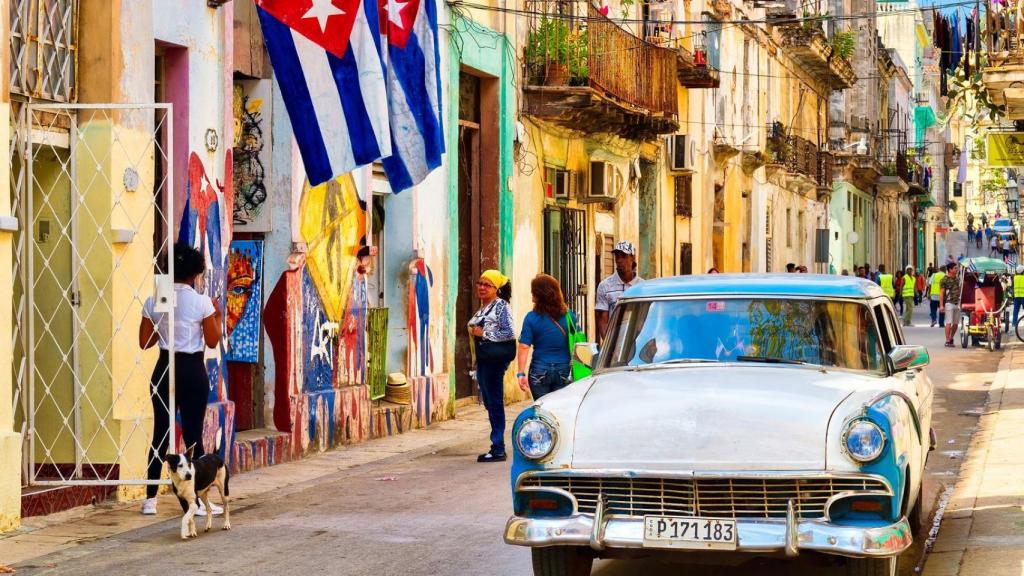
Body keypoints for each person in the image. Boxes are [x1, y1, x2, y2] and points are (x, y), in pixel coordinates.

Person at [139, 244, 222, 516]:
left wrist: (163, 323)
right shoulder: (202, 302)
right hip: (191, 369)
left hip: (164, 366)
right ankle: (196, 502)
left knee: (160, 433)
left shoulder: (154, 300)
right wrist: (216, 314)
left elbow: (144, 342)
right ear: (196, 272)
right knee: (193, 435)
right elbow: (212, 340)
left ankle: (150, 499)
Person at [467, 269, 516, 463]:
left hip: (495, 360)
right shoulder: (484, 307)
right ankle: (496, 445)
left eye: (487, 285)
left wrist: (484, 333)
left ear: (497, 289)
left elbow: (510, 333)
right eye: (480, 283)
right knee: (490, 402)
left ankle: (498, 448)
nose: (482, 287)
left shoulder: (501, 306)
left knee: (494, 402)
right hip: (485, 360)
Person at [516, 274, 580, 402]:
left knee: (542, 409)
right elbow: (578, 343)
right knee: (560, 409)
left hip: (539, 369)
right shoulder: (569, 316)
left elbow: (524, 346)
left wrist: (521, 373)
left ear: (538, 295)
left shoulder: (531, 318)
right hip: (564, 369)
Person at [595, 241, 643, 343]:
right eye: (617, 256)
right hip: (615, 343)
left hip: (639, 343)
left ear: (632, 258)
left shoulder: (643, 286)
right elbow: (603, 320)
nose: (619, 260)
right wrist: (609, 344)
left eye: (624, 256)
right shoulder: (605, 286)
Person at [941, 262, 962, 347]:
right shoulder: (944, 279)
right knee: (949, 322)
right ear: (950, 270)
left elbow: (959, 289)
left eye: (957, 268)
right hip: (949, 303)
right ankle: (947, 340)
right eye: (955, 268)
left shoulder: (957, 279)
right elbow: (941, 293)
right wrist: (941, 305)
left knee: (956, 324)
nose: (956, 270)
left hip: (957, 303)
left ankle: (951, 337)